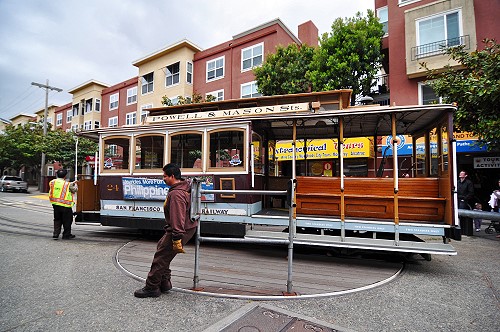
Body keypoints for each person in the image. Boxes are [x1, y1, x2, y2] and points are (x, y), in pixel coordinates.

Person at [134, 163, 198, 298]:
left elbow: (177, 216)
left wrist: (176, 237)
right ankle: (164, 282)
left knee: (160, 257)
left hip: (179, 230)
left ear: (172, 176)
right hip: (185, 228)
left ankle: (152, 287)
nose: (163, 179)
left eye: (165, 176)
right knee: (162, 250)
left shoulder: (176, 194)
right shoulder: (183, 188)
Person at [49, 169, 78, 240]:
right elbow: (74, 190)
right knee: (67, 220)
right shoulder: (68, 184)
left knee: (57, 219)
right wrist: (75, 184)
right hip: (65, 205)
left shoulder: (52, 182)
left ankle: (56, 233)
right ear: (65, 176)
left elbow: (59, 186)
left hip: (55, 204)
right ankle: (66, 235)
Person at [457, 171, 474, 235]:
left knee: (462, 214)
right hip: (457, 199)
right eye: (460, 173)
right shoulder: (457, 182)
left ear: (465, 175)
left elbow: (471, 192)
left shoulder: (468, 183)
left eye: (462, 173)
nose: (460, 174)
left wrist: (465, 198)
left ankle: (463, 229)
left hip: (464, 200)